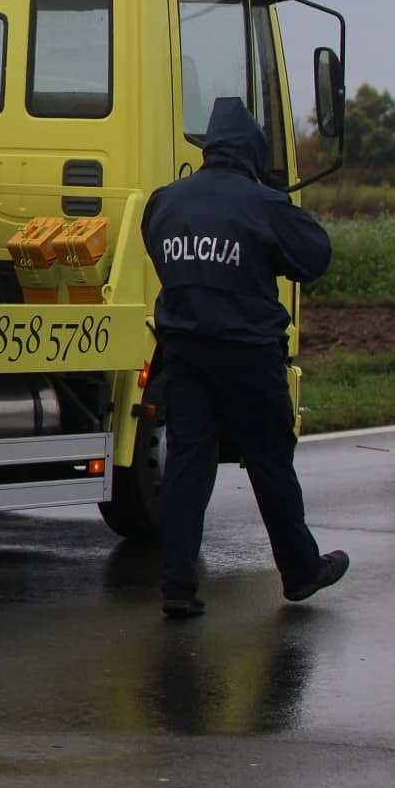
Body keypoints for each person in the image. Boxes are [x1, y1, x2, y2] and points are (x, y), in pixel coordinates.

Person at [143, 97, 348, 619]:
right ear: (253, 150)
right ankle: (300, 572)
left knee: (189, 465)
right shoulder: (264, 204)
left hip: (184, 354)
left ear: (209, 149)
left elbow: (156, 244)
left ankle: (177, 585)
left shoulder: (167, 201)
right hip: (249, 357)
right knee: (270, 464)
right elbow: (314, 256)